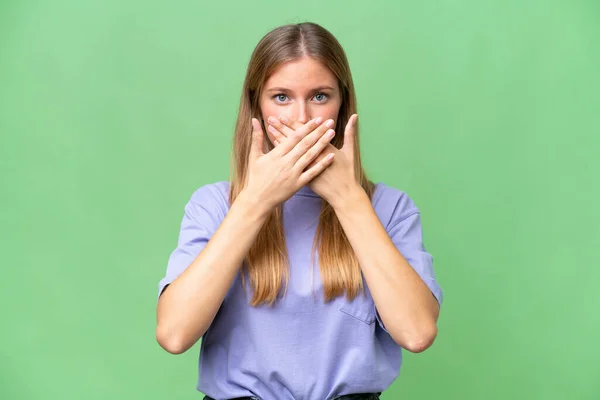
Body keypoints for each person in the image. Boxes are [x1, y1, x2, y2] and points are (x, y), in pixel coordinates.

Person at [156, 22, 443, 400]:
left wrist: (349, 199)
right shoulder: (213, 206)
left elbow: (416, 332)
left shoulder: (389, 209)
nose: (302, 118)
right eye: (281, 97)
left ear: (343, 106)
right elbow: (174, 334)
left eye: (320, 96)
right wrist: (256, 202)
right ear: (256, 105)